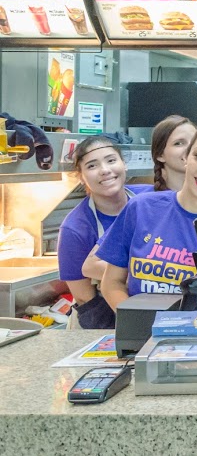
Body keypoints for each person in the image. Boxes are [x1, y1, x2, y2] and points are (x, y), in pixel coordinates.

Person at [98, 121, 197, 308]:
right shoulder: (141, 208)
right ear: (186, 158)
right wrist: (137, 323)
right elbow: (112, 283)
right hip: (143, 335)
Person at [57, 137, 153, 329]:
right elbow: (86, 299)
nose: (105, 170)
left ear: (124, 164)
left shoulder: (149, 199)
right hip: (105, 319)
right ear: (81, 176)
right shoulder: (75, 229)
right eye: (92, 166)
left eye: (111, 160)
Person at [151, 115, 195, 192]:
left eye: (194, 142)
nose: (190, 148)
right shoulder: (145, 202)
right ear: (160, 155)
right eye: (179, 143)